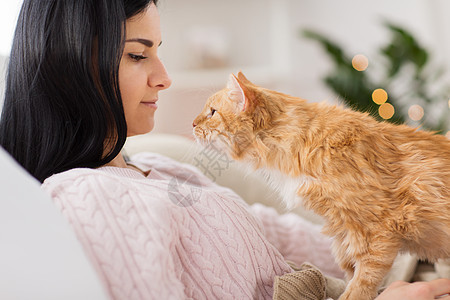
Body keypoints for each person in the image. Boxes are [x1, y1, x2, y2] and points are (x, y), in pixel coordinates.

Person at [0, 0, 449, 299]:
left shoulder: (162, 169)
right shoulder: (90, 196)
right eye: (138, 55)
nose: (165, 77)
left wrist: (401, 253)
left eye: (159, 51)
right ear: (68, 66)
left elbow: (275, 231)